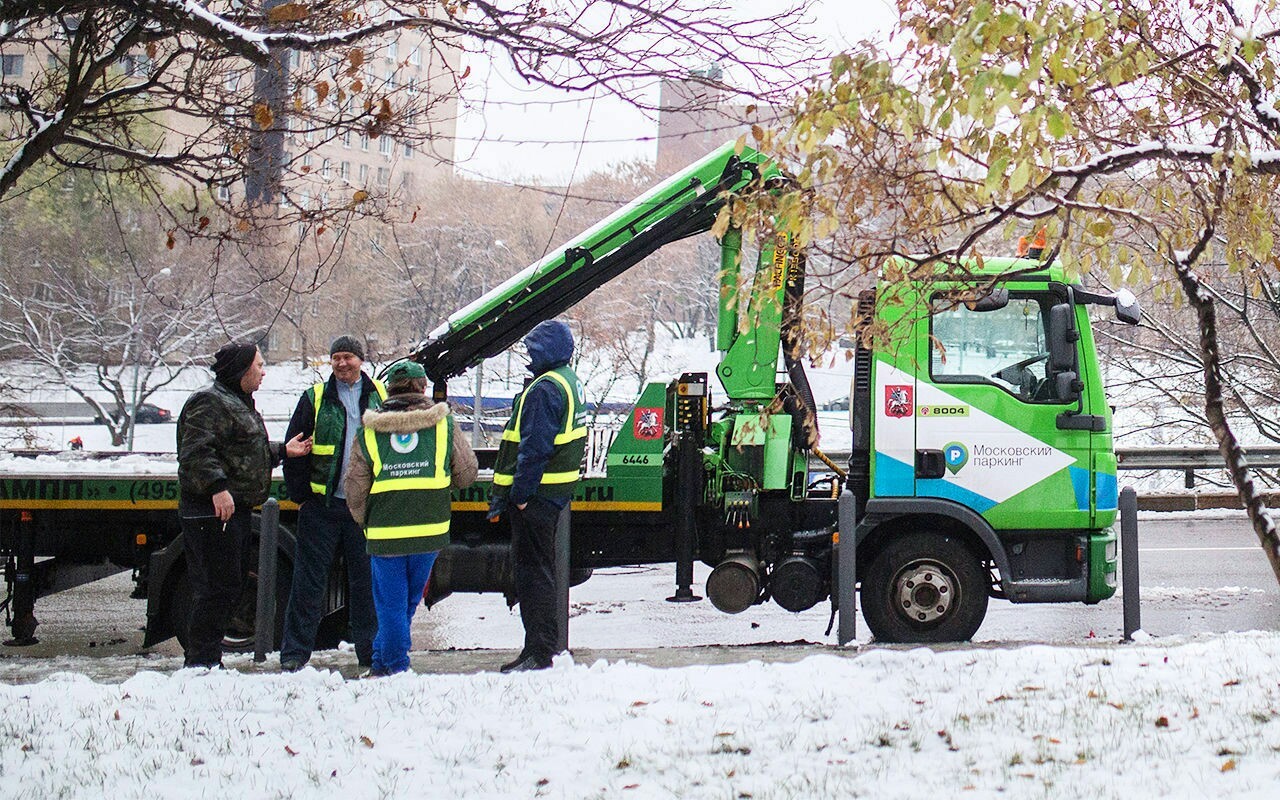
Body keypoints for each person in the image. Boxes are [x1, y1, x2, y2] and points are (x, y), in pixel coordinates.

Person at [176, 342, 310, 669]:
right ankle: (200, 663)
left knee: (228, 586)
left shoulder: (235, 403)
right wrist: (217, 489)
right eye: (259, 366)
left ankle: (206, 660)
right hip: (212, 511)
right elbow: (196, 452)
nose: (264, 372)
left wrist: (281, 451)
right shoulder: (209, 402)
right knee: (214, 588)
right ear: (242, 369)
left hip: (231, 511)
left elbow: (241, 453)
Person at [344, 360, 477, 676]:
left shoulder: (371, 430)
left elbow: (354, 487)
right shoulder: (443, 425)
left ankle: (395, 667)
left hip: (386, 532)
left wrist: (366, 522)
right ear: (422, 388)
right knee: (406, 604)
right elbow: (467, 473)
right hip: (430, 531)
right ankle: (383, 663)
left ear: (389, 390)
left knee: (390, 606)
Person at [279, 335, 387, 672]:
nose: (342, 363)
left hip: (363, 509)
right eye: (336, 357)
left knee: (366, 586)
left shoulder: (381, 396)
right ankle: (294, 656)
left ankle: (369, 656)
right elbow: (293, 448)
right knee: (308, 584)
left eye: (348, 357)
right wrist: (303, 498)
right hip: (322, 509)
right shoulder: (314, 399)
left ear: (361, 360)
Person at [487, 320, 587, 673]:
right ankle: (543, 648)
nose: (528, 353)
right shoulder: (567, 381)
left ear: (546, 349)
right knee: (541, 572)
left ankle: (539, 652)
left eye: (532, 347)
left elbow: (534, 449)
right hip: (553, 495)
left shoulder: (545, 389)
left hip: (537, 497)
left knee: (533, 576)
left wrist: (522, 495)